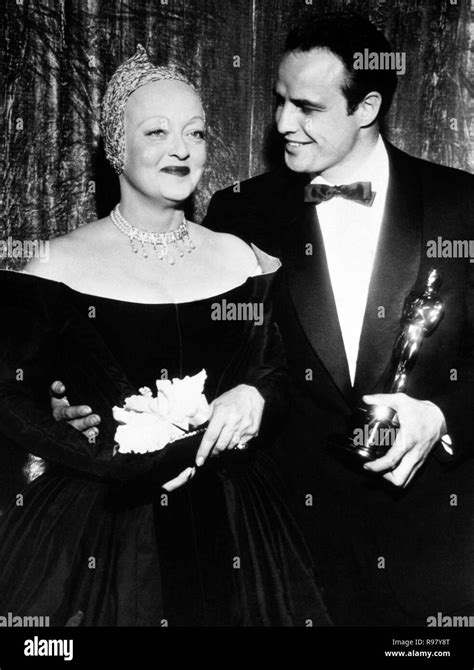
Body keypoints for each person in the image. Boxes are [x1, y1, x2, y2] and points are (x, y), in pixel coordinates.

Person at [0, 46, 329, 626]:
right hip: (105, 524)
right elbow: (9, 393)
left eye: (196, 133)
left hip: (237, 524)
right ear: (114, 147)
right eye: (157, 131)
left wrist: (254, 397)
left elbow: (278, 372)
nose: (181, 149)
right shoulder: (52, 265)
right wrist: (76, 437)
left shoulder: (247, 261)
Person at [201, 14, 474, 625]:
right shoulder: (240, 212)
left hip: (435, 551)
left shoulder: (464, 207)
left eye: (307, 107)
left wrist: (440, 414)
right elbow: (209, 360)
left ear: (368, 105)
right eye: (278, 101)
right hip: (288, 554)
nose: (282, 124)